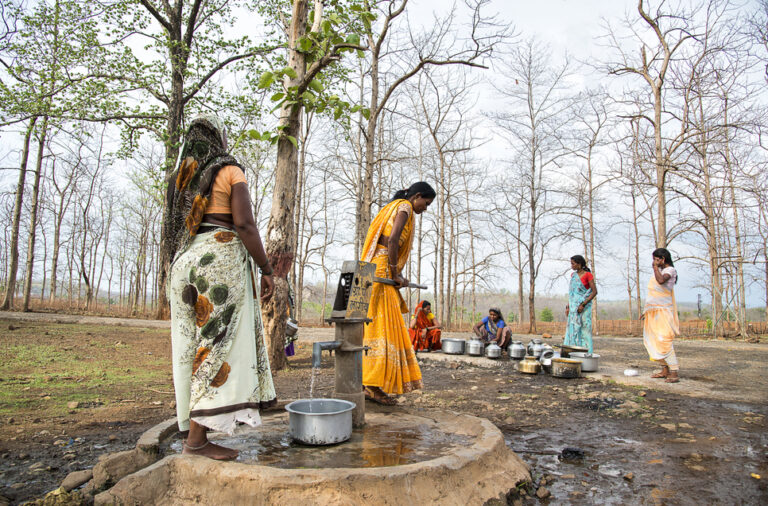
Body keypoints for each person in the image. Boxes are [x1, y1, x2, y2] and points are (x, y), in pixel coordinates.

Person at [166, 116, 276, 461]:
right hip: (218, 260)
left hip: (184, 262)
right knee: (217, 345)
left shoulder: (179, 180)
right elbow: (244, 223)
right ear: (219, 141)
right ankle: (197, 440)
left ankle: (190, 427)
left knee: (188, 348)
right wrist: (266, 268)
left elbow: (172, 228)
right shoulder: (229, 171)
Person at [361, 182, 436, 405]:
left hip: (376, 269)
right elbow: (392, 240)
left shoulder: (394, 207)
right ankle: (372, 386)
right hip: (381, 271)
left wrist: (397, 275)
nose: (425, 208)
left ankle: (369, 384)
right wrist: (395, 273)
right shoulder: (404, 207)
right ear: (418, 196)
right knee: (384, 329)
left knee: (377, 327)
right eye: (426, 203)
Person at [642, 248, 680, 383]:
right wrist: (646, 311)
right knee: (654, 340)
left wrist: (655, 268)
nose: (654, 262)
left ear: (663, 259)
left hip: (664, 311)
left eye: (656, 259)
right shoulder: (660, 271)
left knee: (664, 339)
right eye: (653, 259)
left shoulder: (670, 271)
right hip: (654, 312)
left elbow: (660, 281)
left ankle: (674, 371)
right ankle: (665, 369)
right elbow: (653, 294)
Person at [563, 255, 597, 353]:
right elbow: (572, 293)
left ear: (579, 264)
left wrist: (583, 304)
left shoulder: (588, 275)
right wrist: (568, 307)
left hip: (584, 308)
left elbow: (594, 291)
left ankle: (586, 354)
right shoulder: (573, 276)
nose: (571, 266)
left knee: (584, 331)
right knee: (572, 330)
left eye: (573, 264)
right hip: (573, 308)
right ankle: (572, 353)